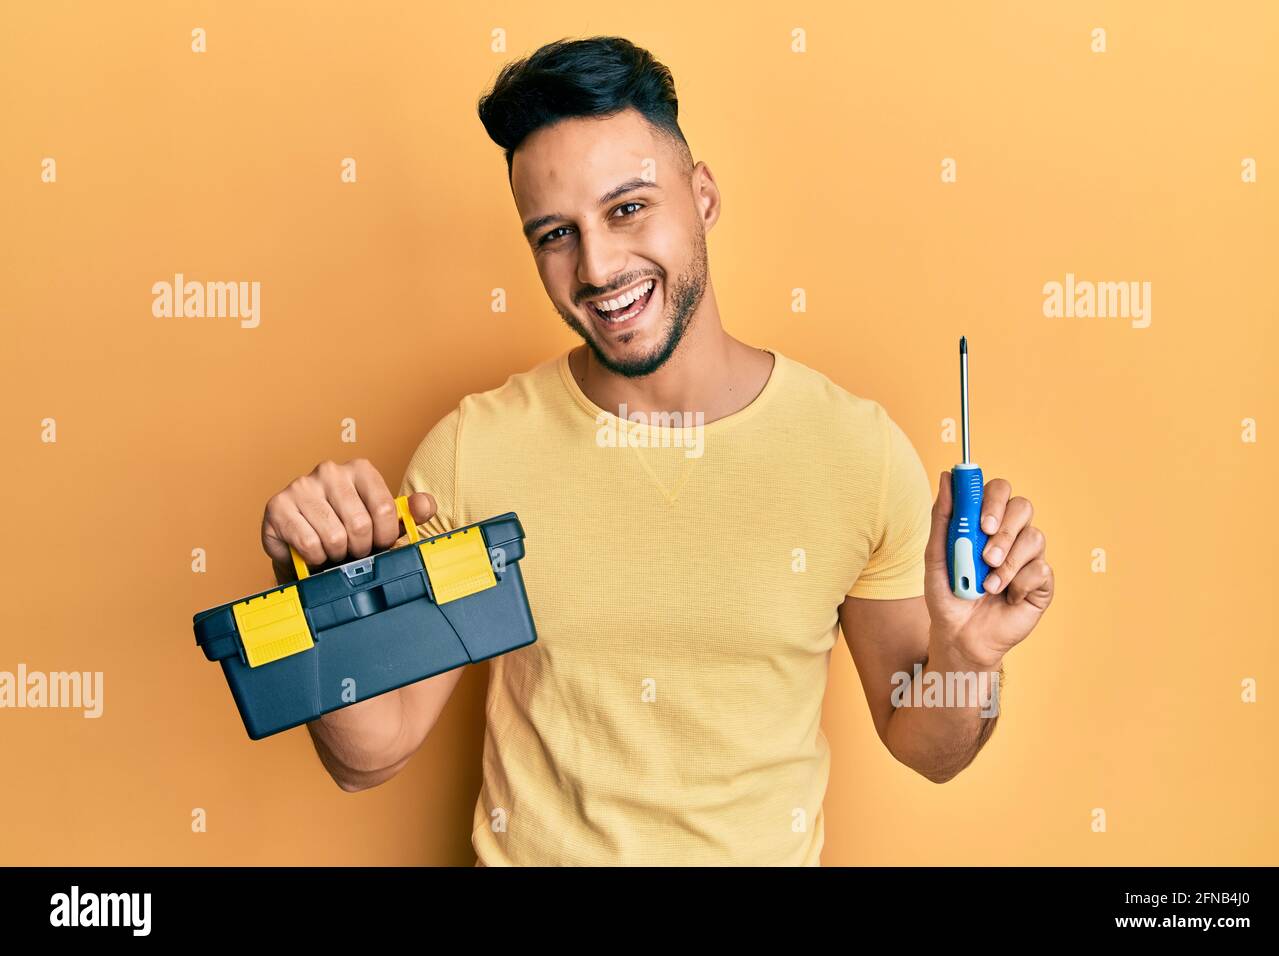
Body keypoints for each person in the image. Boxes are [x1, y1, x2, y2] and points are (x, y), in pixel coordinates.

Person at [259, 36, 1055, 866]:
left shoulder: (853, 450)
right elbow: (368, 755)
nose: (598, 266)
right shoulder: (475, 453)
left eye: (628, 208)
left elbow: (927, 747)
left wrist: (968, 657)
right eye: (555, 234)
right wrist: (321, 591)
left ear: (703, 195)